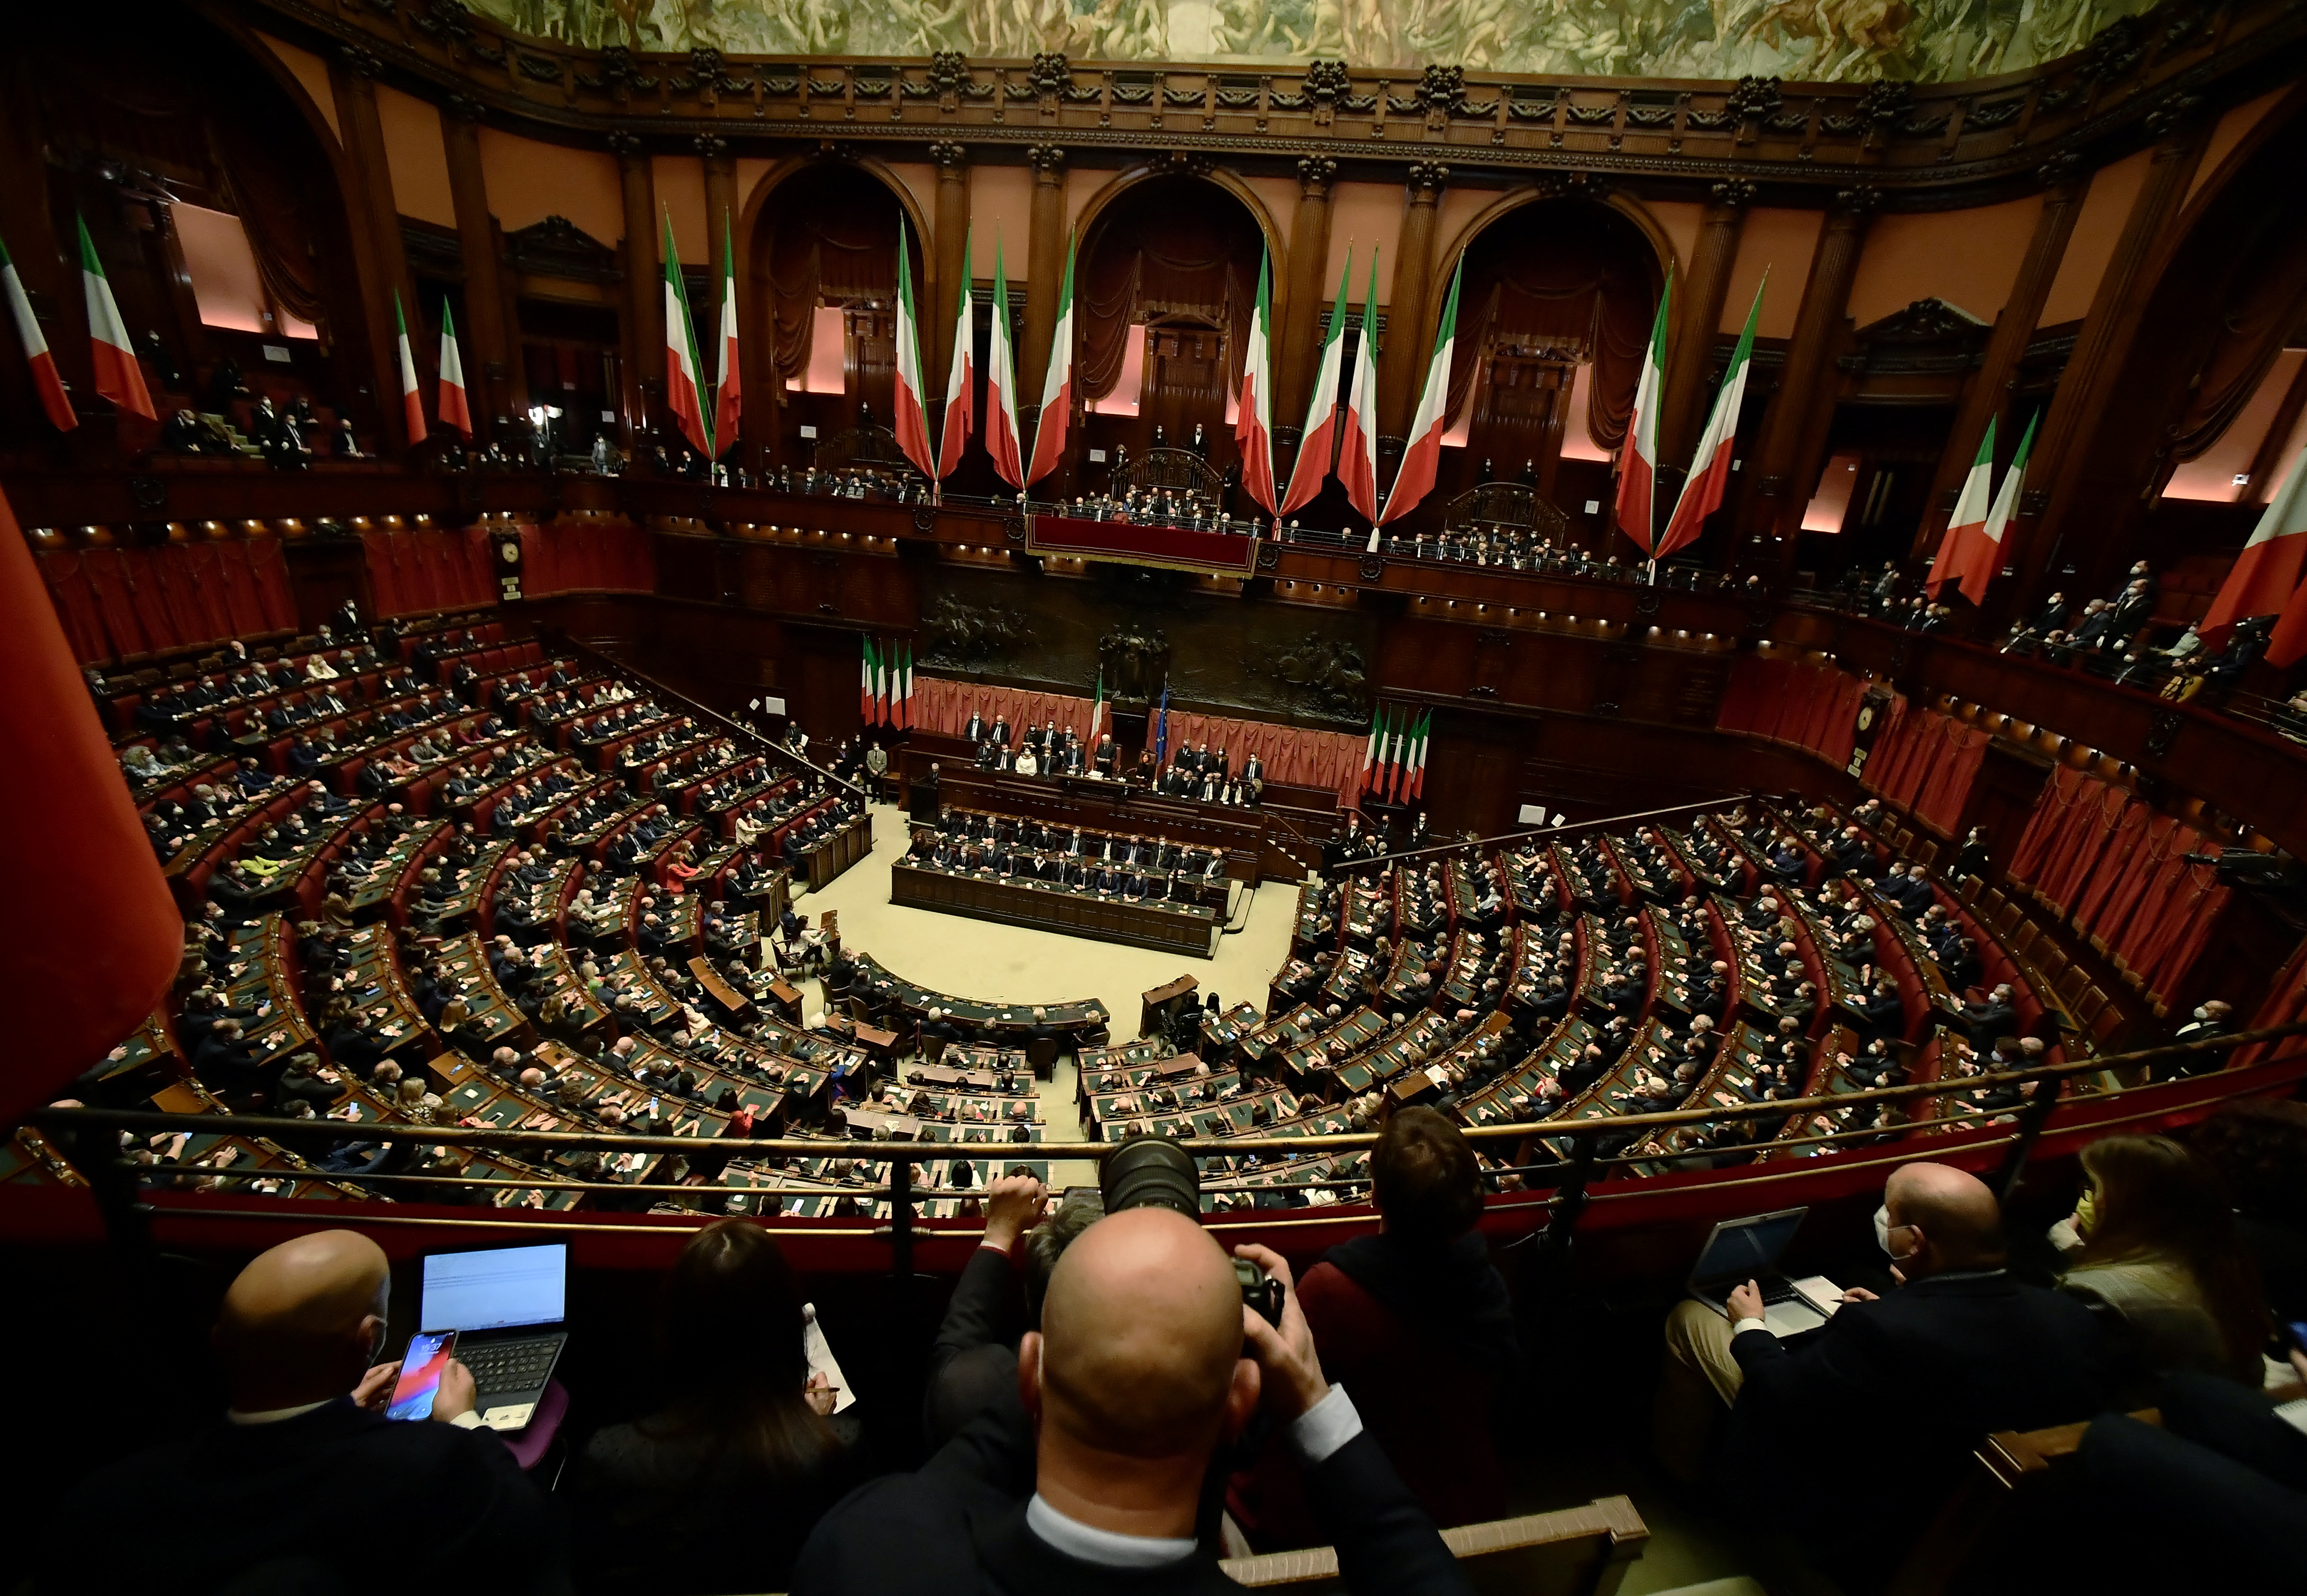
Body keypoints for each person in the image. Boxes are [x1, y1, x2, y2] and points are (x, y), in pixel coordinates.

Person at [791, 1207, 1472, 1596]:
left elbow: (956, 1476)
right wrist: (1308, 1392)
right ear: (1243, 1399)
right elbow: (1413, 1568)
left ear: (1031, 1373)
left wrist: (1086, 1339)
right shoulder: (882, 1538)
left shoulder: (867, 1550)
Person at [1653, 1162, 2110, 1574]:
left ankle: (1683, 1484)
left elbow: (1784, 1399)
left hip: (1869, 1506)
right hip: (1986, 1506)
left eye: (1889, 1215)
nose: (1884, 1221)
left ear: (1913, 1241)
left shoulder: (1882, 1330)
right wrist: (1896, 1306)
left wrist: (1751, 1325)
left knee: (1690, 1319)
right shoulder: (2068, 1316)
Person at [47, 1230, 561, 1595]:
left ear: (219, 1342)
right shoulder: (437, 1464)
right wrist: (464, 1421)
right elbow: (526, 1528)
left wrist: (340, 1408)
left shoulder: (100, 1500)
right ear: (369, 1340)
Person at [1229, 1109, 1514, 1547]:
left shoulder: (1334, 1289)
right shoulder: (1490, 1286)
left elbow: (1278, 1393)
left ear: (1375, 1193)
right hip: (1456, 1492)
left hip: (1342, 1504)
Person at [571, 1221, 861, 1594]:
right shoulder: (840, 1450)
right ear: (786, 1329)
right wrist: (813, 1430)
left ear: (673, 1330)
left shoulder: (610, 1458)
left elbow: (587, 1575)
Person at [2051, 1134, 2269, 1401]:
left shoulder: (2091, 1294)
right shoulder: (2227, 1266)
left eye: (2093, 1189)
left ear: (2129, 1206)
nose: (2087, 1200)